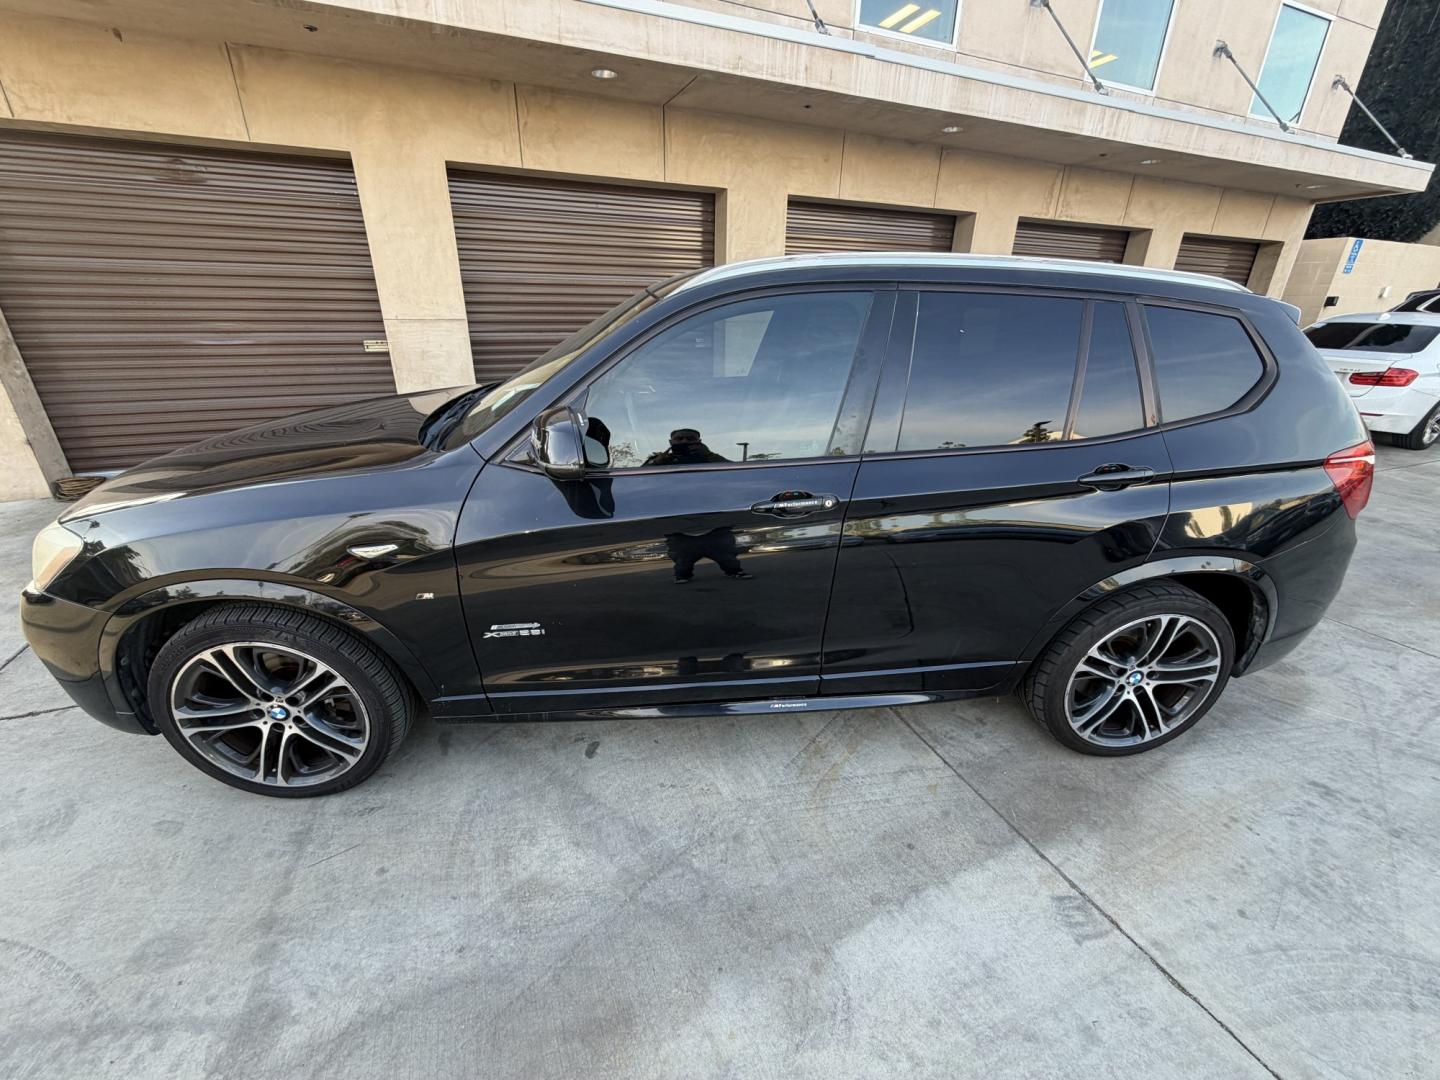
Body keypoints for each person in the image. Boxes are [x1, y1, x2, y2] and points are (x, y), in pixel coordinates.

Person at [643, 428, 729, 467]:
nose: (684, 441)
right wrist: (657, 462)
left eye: (690, 439)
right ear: (671, 442)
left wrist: (709, 455)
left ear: (699, 442)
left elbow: (732, 471)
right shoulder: (662, 460)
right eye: (679, 439)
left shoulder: (710, 459)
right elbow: (639, 478)